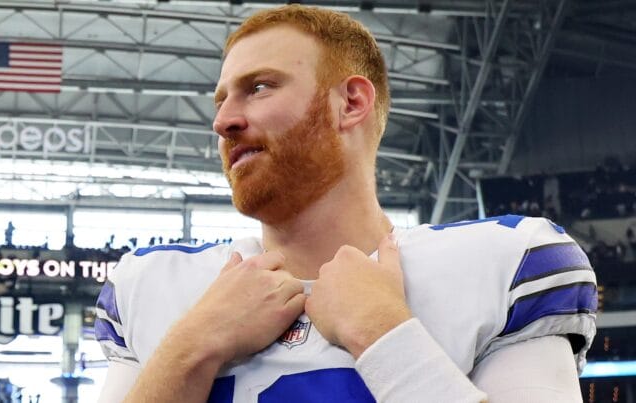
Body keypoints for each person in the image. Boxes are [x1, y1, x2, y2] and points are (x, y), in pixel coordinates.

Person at [95, 5, 596, 402]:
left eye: (259, 87)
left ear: (351, 102)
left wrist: (382, 333)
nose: (223, 120)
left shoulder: (508, 263)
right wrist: (191, 348)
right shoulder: (151, 286)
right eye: (220, 100)